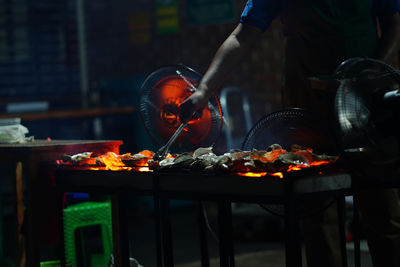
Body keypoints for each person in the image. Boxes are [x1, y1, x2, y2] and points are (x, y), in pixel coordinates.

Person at [180, 1, 400, 267]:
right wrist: (204, 90)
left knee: (383, 205)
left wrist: (375, 68)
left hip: (366, 99)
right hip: (308, 102)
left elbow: (393, 22)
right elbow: (243, 34)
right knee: (317, 209)